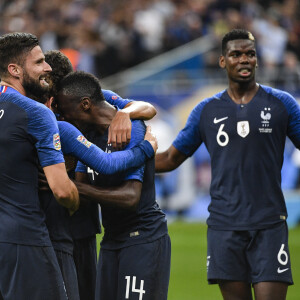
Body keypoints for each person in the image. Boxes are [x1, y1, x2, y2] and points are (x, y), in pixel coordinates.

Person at [155, 28, 298, 300]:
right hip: (224, 225)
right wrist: (123, 162)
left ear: (257, 60)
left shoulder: (282, 104)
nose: (244, 59)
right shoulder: (206, 110)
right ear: (223, 61)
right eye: (236, 54)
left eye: (250, 54)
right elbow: (171, 159)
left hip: (268, 223)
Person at [40, 49, 158, 300]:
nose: (55, 105)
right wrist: (146, 149)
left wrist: (125, 114)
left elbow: (147, 108)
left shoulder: (91, 101)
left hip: (81, 221)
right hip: (46, 220)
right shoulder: (36, 108)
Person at [0, 32, 79, 300]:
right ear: (15, 70)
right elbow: (62, 190)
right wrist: (75, 201)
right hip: (23, 237)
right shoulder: (36, 113)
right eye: (39, 62)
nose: (47, 67)